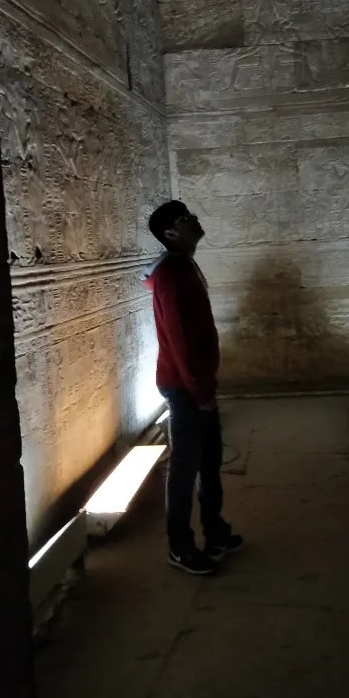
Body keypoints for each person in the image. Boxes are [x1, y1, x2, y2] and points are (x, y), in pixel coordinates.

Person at [143, 200, 242, 575]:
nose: (195, 221)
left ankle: (215, 532)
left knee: (210, 463)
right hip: (184, 387)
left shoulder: (184, 266)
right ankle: (180, 547)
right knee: (185, 469)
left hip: (197, 384)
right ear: (171, 232)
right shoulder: (171, 274)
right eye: (187, 219)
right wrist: (200, 392)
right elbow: (179, 339)